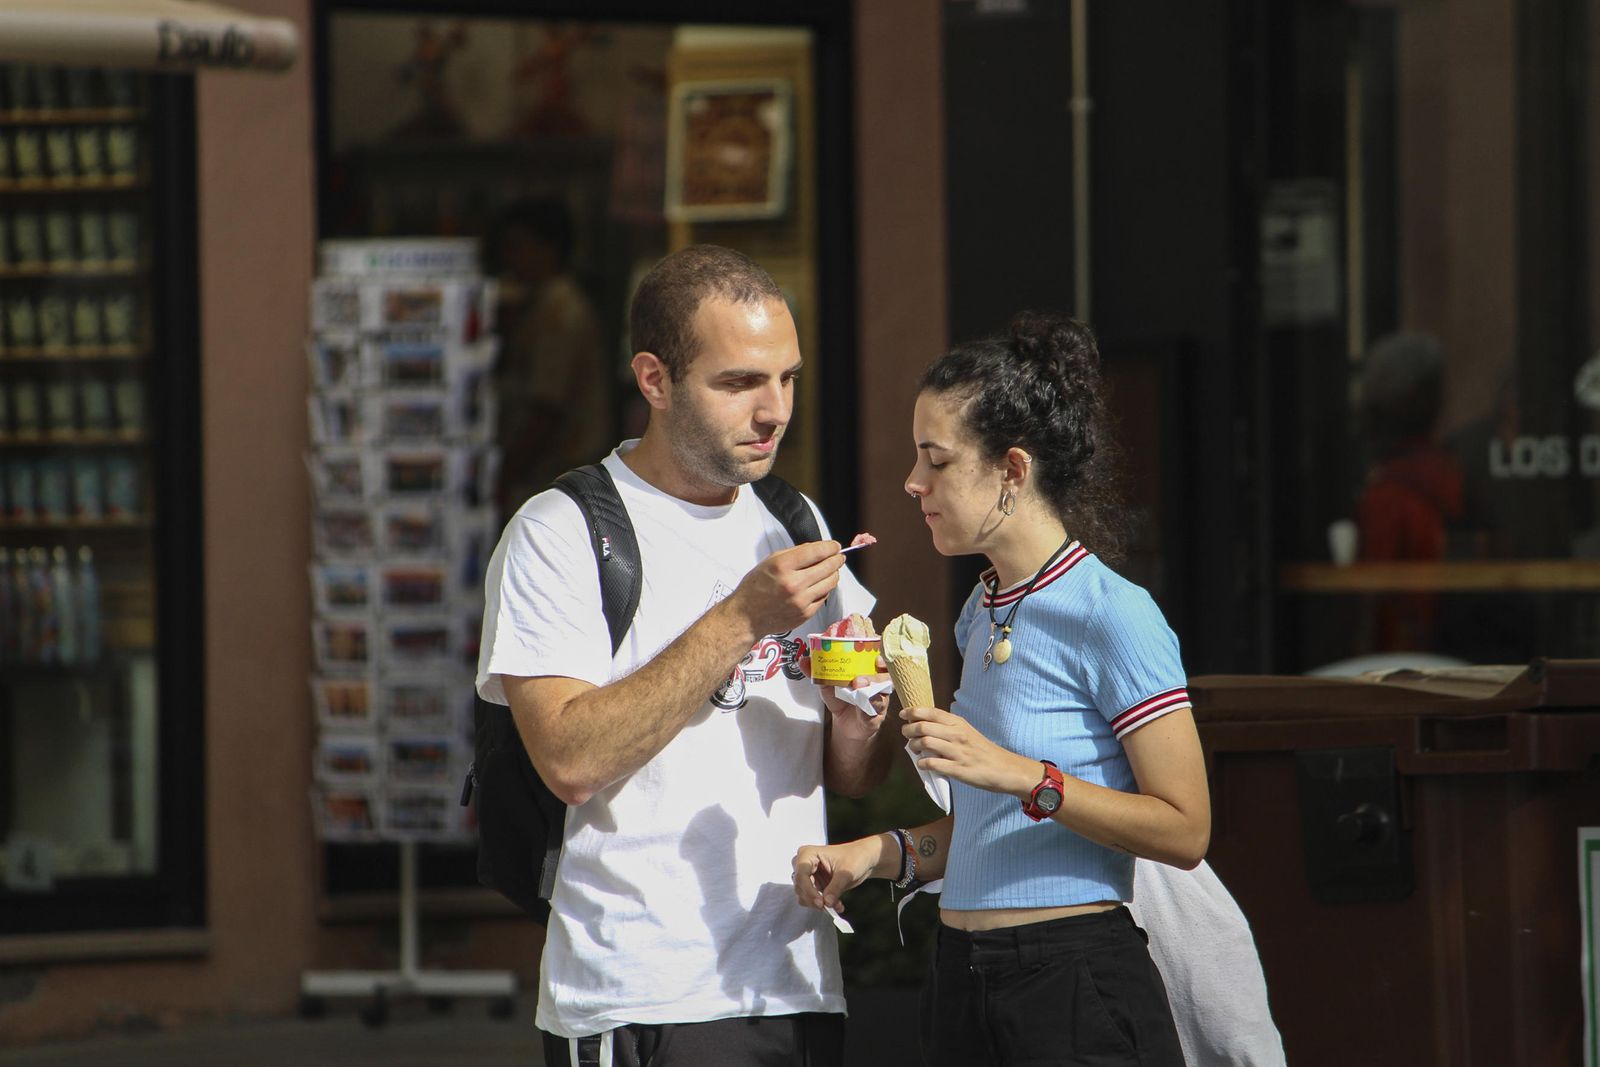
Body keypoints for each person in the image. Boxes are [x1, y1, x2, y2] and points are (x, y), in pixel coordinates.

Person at [476, 244, 897, 1067]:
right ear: (655, 381)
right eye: (739, 383)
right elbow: (570, 758)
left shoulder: (796, 515)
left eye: (788, 378)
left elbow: (856, 775)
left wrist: (859, 716)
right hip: (641, 990)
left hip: (796, 981)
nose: (774, 409)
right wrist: (742, 616)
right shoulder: (562, 532)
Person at [792, 312, 1210, 1066]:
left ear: (1012, 470)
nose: (913, 482)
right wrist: (872, 855)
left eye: (937, 461)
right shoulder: (978, 610)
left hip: (1074, 978)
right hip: (961, 980)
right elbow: (990, 833)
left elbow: (1185, 829)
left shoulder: (1112, 611)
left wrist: (1017, 771)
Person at [488, 196, 610, 514]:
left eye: (518, 247)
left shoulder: (561, 312)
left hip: (554, 476)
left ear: (549, 249)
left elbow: (546, 409)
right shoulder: (541, 305)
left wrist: (505, 474)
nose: (508, 259)